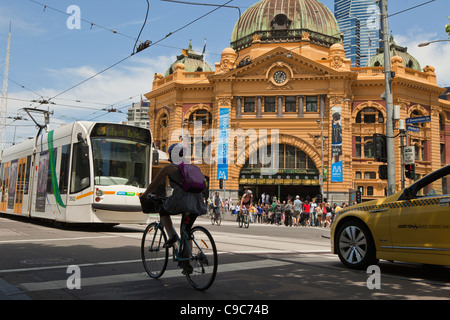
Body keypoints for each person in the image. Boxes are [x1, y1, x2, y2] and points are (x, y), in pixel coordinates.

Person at [140, 143, 207, 248]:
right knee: (186, 231)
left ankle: (171, 236)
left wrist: (144, 195)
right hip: (197, 201)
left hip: (181, 199)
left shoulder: (170, 167)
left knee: (163, 211)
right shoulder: (192, 167)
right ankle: (187, 261)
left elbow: (154, 184)